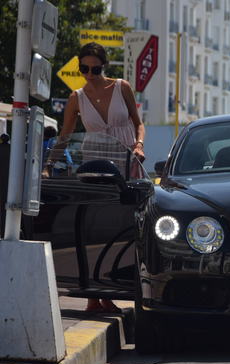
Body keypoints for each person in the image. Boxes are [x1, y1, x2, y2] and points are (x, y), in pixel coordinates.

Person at [56, 42, 146, 312]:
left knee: (120, 228)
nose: (90, 74)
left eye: (95, 68)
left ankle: (110, 291)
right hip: (94, 168)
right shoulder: (76, 97)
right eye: (84, 68)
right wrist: (49, 163)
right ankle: (94, 297)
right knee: (92, 229)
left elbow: (138, 122)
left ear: (103, 66)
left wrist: (139, 144)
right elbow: (65, 136)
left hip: (125, 162)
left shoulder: (122, 87)